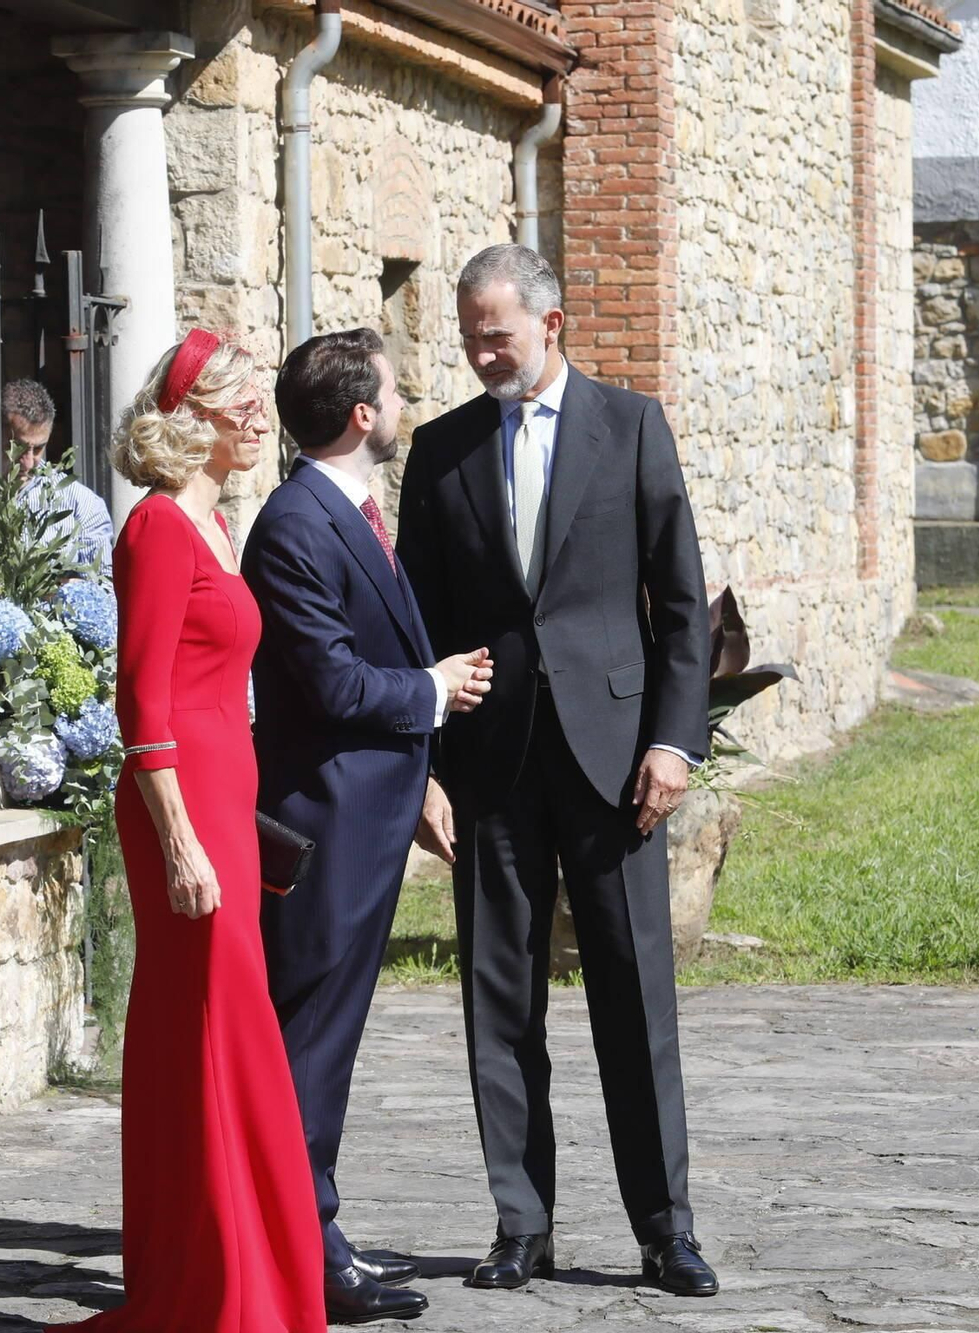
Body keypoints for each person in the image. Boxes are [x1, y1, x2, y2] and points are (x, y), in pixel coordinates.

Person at [395, 244, 720, 1297]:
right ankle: (518, 1222)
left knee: (633, 1001)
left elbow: (680, 608)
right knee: (498, 1001)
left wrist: (673, 742)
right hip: (491, 764)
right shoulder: (441, 451)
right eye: (468, 335)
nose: (481, 351)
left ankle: (664, 1229)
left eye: (497, 332)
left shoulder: (629, 429)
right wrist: (429, 768)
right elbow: (422, 626)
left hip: (615, 764)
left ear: (551, 323)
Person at [51, 329, 324, 1333]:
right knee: (211, 1036)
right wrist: (179, 844)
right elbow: (141, 702)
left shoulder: (214, 526)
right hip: (184, 811)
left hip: (223, 800)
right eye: (241, 400)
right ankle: (220, 1293)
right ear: (188, 421)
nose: (260, 415)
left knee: (224, 1035)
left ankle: (241, 1280)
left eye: (257, 398)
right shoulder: (159, 529)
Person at [243, 329, 494, 1325]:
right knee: (309, 1037)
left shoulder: (347, 510)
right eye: (391, 392)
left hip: (373, 813)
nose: (401, 405)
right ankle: (307, 1243)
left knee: (328, 1039)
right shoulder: (295, 524)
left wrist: (423, 778)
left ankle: (312, 1229)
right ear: (360, 414)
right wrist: (430, 692)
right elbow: (332, 680)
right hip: (324, 827)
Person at [5, 378, 114, 577]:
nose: (28, 462)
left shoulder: (82, 505)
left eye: (38, 449)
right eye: (18, 447)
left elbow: (104, 591)